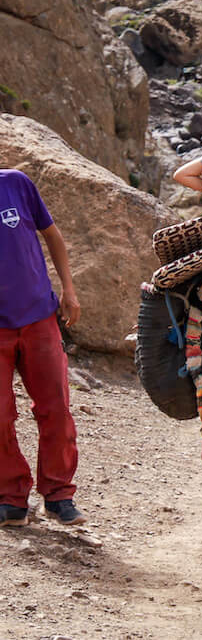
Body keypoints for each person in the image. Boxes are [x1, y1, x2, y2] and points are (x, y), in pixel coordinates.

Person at [0, 169, 85, 527]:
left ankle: (59, 495)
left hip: (38, 316)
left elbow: (52, 234)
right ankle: (11, 497)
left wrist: (69, 289)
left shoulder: (16, 183)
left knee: (56, 408)